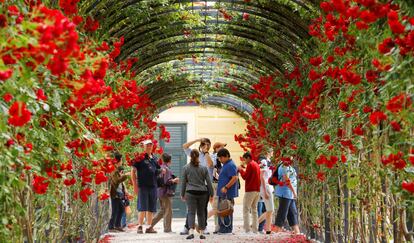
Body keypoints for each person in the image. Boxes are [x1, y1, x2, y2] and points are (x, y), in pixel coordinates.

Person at [181, 138, 213, 235]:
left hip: (205, 186)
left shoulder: (211, 156)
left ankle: (204, 227)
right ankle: (187, 227)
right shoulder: (195, 154)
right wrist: (197, 140)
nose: (205, 146)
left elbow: (210, 164)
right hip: (193, 186)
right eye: (203, 144)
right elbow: (184, 146)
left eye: (207, 144)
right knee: (190, 209)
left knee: (203, 209)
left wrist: (206, 152)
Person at [131, 139, 164, 234]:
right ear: (143, 147)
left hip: (153, 186)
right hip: (142, 186)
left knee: (151, 207)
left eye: (150, 145)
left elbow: (157, 170)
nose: (149, 147)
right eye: (147, 145)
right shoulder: (139, 158)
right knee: (142, 207)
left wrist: (161, 171)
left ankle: (149, 227)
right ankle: (140, 226)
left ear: (152, 146)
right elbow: (133, 171)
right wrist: (134, 185)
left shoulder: (154, 158)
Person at [148, 153, 180, 233]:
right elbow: (166, 181)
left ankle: (149, 226)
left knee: (162, 211)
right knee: (168, 210)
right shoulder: (167, 169)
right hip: (166, 192)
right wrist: (174, 180)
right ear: (170, 160)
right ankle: (167, 229)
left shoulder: (161, 167)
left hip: (160, 192)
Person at [274, 158, 300, 234]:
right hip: (285, 193)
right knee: (283, 212)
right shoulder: (284, 167)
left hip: (289, 194)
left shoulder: (289, 167)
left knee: (292, 212)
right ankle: (276, 231)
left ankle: (296, 231)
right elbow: (286, 180)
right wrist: (294, 192)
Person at [216, 148, 238, 234]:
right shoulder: (226, 164)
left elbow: (234, 178)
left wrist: (226, 187)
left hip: (227, 193)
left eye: (221, 158)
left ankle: (227, 229)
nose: (220, 160)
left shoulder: (230, 165)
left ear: (226, 156)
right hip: (223, 193)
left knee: (226, 211)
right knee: (222, 211)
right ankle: (223, 228)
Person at [238, 151, 261, 234]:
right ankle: (255, 229)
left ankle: (247, 230)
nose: (244, 161)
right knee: (254, 210)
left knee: (246, 209)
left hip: (250, 190)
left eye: (245, 159)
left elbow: (245, 176)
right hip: (257, 190)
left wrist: (240, 170)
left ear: (248, 158)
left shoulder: (250, 164)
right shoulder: (256, 164)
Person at [108, 152, 130, 232]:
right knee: (115, 210)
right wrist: (126, 175)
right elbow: (116, 181)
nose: (122, 161)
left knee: (121, 209)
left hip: (119, 193)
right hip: (115, 194)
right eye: (121, 160)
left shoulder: (117, 169)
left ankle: (117, 225)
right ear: (119, 160)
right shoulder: (113, 170)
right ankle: (111, 227)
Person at [208, 142, 226, 233]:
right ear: (216, 148)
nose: (223, 148)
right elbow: (214, 169)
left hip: (218, 183)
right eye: (222, 147)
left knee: (218, 206)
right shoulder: (215, 156)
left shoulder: (221, 157)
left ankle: (218, 226)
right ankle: (202, 222)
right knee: (216, 206)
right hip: (216, 183)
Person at [258, 158, 275, 234]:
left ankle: (268, 230)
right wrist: (265, 191)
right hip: (266, 188)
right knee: (270, 210)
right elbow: (261, 177)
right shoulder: (264, 161)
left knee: (269, 210)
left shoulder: (269, 161)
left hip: (269, 187)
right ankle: (255, 223)